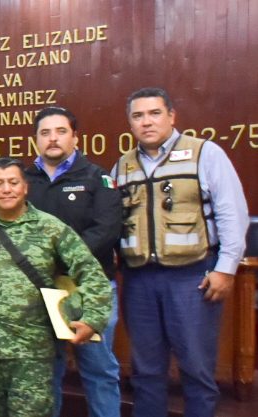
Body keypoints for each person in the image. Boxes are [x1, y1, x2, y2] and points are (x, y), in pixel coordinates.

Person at [113, 88, 249, 417]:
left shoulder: (205, 154)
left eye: (154, 113)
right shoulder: (123, 166)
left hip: (192, 277)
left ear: (172, 116)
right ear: (130, 123)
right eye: (138, 116)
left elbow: (233, 214)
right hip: (139, 280)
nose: (146, 122)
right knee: (145, 373)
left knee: (197, 370)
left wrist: (225, 268)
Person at [0, 157, 113, 417]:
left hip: (31, 356)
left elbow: (91, 273)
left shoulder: (50, 228)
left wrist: (92, 319)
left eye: (13, 182)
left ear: (25, 187)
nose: (6, 189)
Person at [22, 107, 122, 417]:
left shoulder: (96, 177)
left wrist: (60, 258)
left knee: (99, 370)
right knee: (44, 371)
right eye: (45, 133)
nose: (53, 138)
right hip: (39, 290)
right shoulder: (24, 180)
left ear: (75, 137)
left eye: (61, 131)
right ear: (36, 139)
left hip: (88, 289)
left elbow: (106, 230)